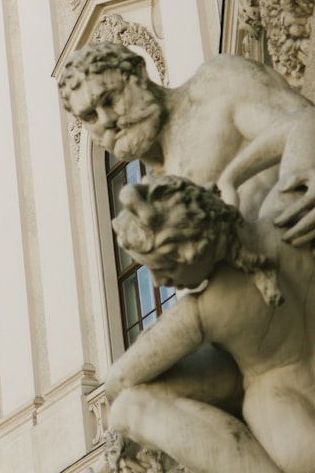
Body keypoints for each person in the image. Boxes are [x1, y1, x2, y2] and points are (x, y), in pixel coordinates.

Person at [105, 175, 315, 473]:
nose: (157, 281)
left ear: (192, 250)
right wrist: (231, 176)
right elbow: (293, 131)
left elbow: (120, 379)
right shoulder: (284, 209)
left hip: (293, 427)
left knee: (127, 408)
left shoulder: (205, 308)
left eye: (163, 268)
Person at [58, 42, 315, 241]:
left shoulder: (213, 86)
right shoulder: (155, 190)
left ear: (138, 74)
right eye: (90, 116)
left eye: (110, 99)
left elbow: (303, 124)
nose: (107, 120)